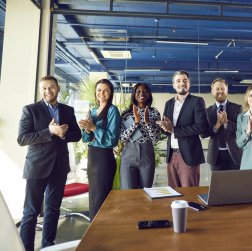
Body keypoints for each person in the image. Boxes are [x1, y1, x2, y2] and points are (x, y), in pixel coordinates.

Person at [17, 76, 81, 250]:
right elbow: (22, 138)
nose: (48, 91)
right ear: (40, 90)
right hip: (37, 167)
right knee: (31, 212)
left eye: (51, 87)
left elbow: (77, 135)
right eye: (44, 88)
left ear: (58, 88)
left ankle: (48, 245)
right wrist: (49, 131)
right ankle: (26, 247)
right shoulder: (30, 110)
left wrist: (63, 134)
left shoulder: (67, 110)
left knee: (53, 209)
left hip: (59, 166)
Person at [78, 79, 121, 221]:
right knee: (94, 196)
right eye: (99, 90)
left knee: (101, 197)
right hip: (92, 156)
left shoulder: (112, 110)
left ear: (110, 93)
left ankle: (101, 230)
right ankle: (93, 228)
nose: (101, 93)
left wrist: (94, 128)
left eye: (105, 90)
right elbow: (86, 139)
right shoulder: (92, 111)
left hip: (104, 158)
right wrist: (86, 129)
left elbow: (112, 140)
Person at [157, 70, 207, 187]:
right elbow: (167, 129)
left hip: (189, 155)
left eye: (185, 81)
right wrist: (160, 126)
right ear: (173, 85)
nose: (182, 83)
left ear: (189, 84)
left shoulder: (197, 101)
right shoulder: (169, 103)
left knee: (190, 193)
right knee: (173, 193)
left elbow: (200, 126)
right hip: (171, 155)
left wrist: (174, 129)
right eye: (178, 81)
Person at [119, 83, 161, 189]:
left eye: (145, 91)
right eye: (138, 91)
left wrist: (147, 122)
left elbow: (155, 138)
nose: (142, 93)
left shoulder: (154, 112)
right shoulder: (126, 114)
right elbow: (122, 138)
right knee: (128, 193)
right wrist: (135, 123)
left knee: (146, 192)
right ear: (134, 94)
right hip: (128, 155)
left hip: (147, 154)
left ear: (149, 94)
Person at [201, 78, 242, 171]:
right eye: (217, 89)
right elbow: (203, 134)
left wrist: (227, 122)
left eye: (222, 89)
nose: (220, 91)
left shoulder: (237, 108)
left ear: (227, 90)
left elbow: (241, 130)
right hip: (215, 156)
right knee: (218, 185)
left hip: (234, 155)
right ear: (212, 92)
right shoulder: (207, 111)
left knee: (235, 184)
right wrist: (216, 126)